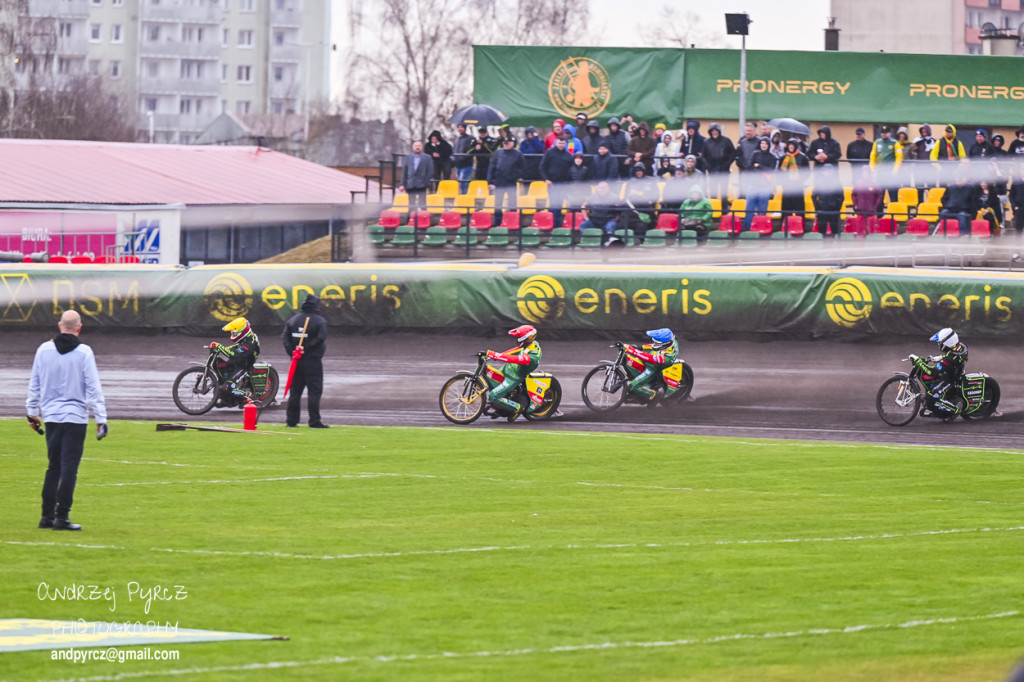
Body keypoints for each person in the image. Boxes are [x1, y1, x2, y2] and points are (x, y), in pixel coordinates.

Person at [27, 309, 108, 531]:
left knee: (53, 467)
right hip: (75, 417)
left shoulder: (43, 350)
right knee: (69, 468)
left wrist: (32, 412)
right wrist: (101, 418)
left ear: (59, 326)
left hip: (52, 416)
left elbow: (35, 383)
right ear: (79, 328)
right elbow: (93, 387)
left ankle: (46, 516)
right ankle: (62, 517)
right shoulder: (84, 353)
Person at [282, 294, 329, 429]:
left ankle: (291, 421)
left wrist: (292, 352)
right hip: (312, 362)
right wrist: (305, 348)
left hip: (296, 362)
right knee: (314, 391)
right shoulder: (320, 321)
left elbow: (285, 337)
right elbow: (321, 338)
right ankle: (314, 421)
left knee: (295, 392)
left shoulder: (293, 320)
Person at [484, 324, 542, 422]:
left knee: (493, 396)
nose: (517, 340)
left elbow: (514, 358)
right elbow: (516, 350)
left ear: (527, 338)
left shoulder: (532, 357)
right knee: (491, 377)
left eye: (519, 338)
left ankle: (517, 408)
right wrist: (496, 356)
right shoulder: (530, 344)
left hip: (514, 377)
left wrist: (496, 355)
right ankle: (501, 404)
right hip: (509, 368)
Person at [911, 328, 968, 418]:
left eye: (940, 343)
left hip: (949, 380)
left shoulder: (950, 359)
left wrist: (919, 362)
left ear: (947, 343)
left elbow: (933, 372)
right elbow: (950, 354)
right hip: (955, 373)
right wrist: (938, 358)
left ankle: (955, 410)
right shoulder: (961, 347)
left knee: (930, 399)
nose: (939, 345)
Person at [622, 328, 678, 402]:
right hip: (655, 357)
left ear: (665, 344)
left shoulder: (665, 358)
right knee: (636, 362)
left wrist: (630, 349)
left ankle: (654, 395)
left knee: (633, 386)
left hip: (653, 367)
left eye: (657, 343)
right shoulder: (671, 341)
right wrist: (641, 347)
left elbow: (648, 358)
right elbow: (654, 346)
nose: (655, 343)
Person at [211, 317, 261, 398]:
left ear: (242, 332)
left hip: (243, 367)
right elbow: (238, 346)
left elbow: (234, 354)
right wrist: (225, 348)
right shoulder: (247, 337)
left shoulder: (250, 344)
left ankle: (248, 394)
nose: (232, 335)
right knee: (218, 365)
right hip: (236, 362)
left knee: (226, 388)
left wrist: (220, 347)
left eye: (234, 333)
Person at [487, 137, 526, 223]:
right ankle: (497, 223)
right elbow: (492, 167)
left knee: (512, 204)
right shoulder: (498, 153)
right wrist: (489, 181)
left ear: (513, 143)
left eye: (508, 142)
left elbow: (522, 168)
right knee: (498, 204)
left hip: (511, 182)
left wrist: (515, 176)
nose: (506, 144)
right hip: (499, 182)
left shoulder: (518, 154)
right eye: (504, 143)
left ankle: (513, 223)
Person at [744, 136, 776, 231]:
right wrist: (761, 169)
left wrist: (759, 166)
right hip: (753, 185)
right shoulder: (755, 154)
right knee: (749, 209)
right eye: (762, 143)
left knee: (762, 211)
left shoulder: (772, 157)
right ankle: (747, 229)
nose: (763, 145)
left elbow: (770, 170)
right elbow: (750, 167)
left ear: (769, 145)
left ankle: (760, 229)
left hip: (765, 187)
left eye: (765, 144)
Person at [539, 137, 573, 226]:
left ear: (565, 144)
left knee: (559, 205)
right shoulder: (549, 153)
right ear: (556, 143)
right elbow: (542, 167)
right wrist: (546, 179)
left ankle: (557, 226)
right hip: (552, 184)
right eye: (559, 143)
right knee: (553, 205)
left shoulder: (568, 155)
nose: (561, 145)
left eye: (563, 143)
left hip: (563, 184)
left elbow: (571, 170)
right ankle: (551, 225)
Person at [702, 122, 735, 202]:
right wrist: (708, 166)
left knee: (724, 192)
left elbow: (733, 153)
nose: (714, 133)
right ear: (710, 132)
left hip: (723, 169)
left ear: (719, 131)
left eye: (716, 131)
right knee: (713, 191)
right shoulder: (706, 142)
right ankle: (714, 209)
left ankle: (724, 210)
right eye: (712, 131)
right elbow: (703, 156)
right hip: (712, 169)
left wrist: (727, 164)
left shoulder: (726, 141)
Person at [939, 169, 979, 235]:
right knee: (943, 213)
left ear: (965, 179)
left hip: (963, 211)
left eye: (961, 178)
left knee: (962, 215)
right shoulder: (951, 188)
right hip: (951, 210)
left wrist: (972, 213)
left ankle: (963, 235)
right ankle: (942, 232)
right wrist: (947, 206)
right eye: (957, 178)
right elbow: (943, 199)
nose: (959, 179)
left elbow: (974, 202)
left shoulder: (971, 188)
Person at [778, 137, 809, 221]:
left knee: (799, 208)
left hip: (797, 187)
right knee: (786, 209)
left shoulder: (802, 157)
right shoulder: (783, 157)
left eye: (792, 145)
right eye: (789, 145)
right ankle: (786, 227)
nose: (791, 147)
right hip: (787, 187)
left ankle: (800, 226)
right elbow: (779, 172)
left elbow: (807, 172)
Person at [398, 140, 435, 208]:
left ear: (422, 147)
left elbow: (430, 171)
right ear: (413, 147)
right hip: (410, 184)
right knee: (411, 205)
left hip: (422, 185)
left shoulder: (427, 158)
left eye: (419, 146)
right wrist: (402, 184)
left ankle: (423, 218)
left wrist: (425, 182)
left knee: (423, 205)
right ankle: (410, 218)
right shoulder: (408, 158)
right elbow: (405, 172)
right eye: (416, 146)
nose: (417, 147)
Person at [812, 164, 844, 236]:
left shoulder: (837, 183)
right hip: (822, 210)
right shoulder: (819, 183)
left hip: (834, 210)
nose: (827, 173)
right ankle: (822, 245)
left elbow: (841, 197)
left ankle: (836, 245)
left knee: (835, 231)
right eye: (825, 171)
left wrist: (837, 208)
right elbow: (814, 196)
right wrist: (817, 208)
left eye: (829, 171)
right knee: (821, 231)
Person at [452, 123, 475, 192]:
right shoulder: (458, 139)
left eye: (461, 127)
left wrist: (462, 158)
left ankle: (465, 198)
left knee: (463, 182)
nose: (460, 129)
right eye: (458, 127)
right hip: (458, 165)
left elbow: (470, 151)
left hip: (466, 165)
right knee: (460, 182)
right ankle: (463, 197)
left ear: (465, 128)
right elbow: (455, 150)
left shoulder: (470, 138)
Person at [1009, 164, 1024, 234]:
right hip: (1019, 207)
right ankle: (1018, 242)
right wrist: (1014, 206)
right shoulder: (1016, 182)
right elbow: (1011, 196)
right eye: (1022, 168)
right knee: (1019, 227)